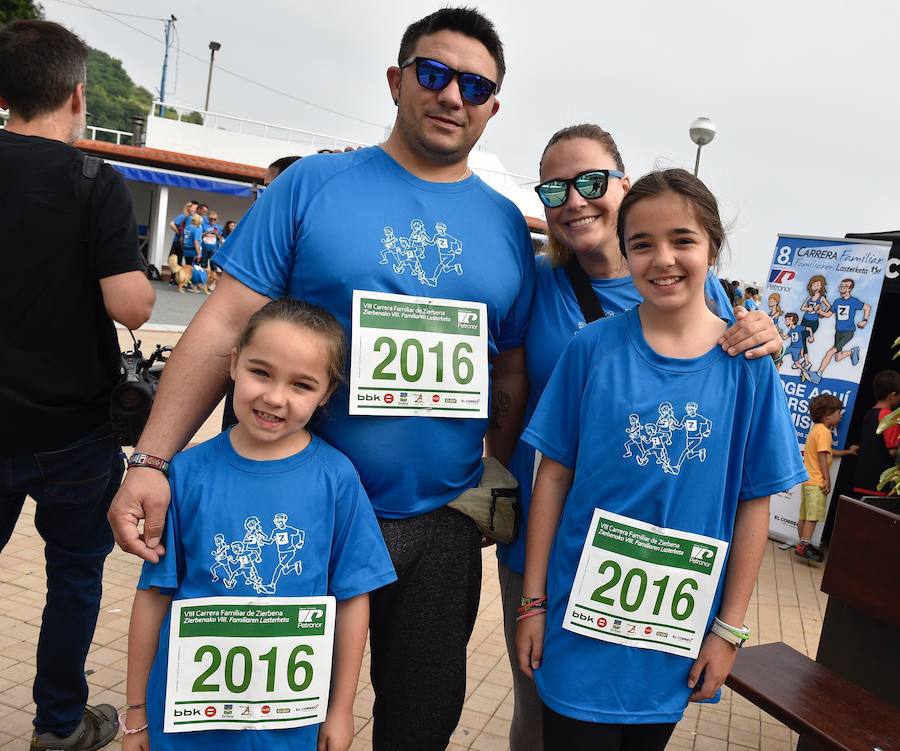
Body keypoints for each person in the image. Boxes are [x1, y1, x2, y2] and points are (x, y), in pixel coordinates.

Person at [109, 9, 534, 750]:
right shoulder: (312, 186)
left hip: (441, 521)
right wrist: (150, 460)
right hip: (298, 503)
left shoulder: (505, 224)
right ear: (398, 80)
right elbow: (219, 326)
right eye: (433, 74)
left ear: (493, 106)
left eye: (475, 85)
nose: (452, 96)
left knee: (420, 721)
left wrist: (488, 484)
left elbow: (512, 370)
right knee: (275, 726)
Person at [494, 124, 783, 751]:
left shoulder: (741, 356)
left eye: (683, 241)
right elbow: (551, 468)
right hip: (567, 590)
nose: (575, 198)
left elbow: (754, 495)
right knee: (540, 725)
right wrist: (533, 601)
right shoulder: (572, 324)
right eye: (555, 188)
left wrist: (728, 630)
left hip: (676, 622)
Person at [120, 299, 395, 751]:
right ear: (233, 363)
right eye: (260, 372)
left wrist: (340, 709)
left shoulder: (337, 478)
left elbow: (352, 599)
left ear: (326, 393)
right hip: (186, 725)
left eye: (302, 384)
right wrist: (135, 714)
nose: (274, 397)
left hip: (289, 728)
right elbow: (153, 597)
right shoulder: (186, 474)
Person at [0, 19, 155, 750]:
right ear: (75, 94)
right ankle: (59, 725)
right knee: (72, 577)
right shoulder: (94, 182)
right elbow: (130, 305)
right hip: (71, 434)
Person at [796, 394, 858, 562]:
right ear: (827, 415)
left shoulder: (816, 430)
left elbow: (828, 451)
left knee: (804, 516)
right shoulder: (824, 433)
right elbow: (823, 455)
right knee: (813, 516)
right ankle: (804, 544)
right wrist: (827, 479)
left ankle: (802, 543)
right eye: (839, 412)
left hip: (808, 481)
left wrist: (848, 452)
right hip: (817, 482)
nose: (841, 416)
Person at [853, 370, 900, 497]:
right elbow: (893, 451)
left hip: (861, 478)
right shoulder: (889, 416)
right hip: (878, 483)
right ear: (892, 395)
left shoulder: (869, 413)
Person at [814, 277, 869, 378]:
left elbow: (867, 307)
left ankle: (818, 374)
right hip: (838, 332)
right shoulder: (837, 302)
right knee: (838, 358)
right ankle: (853, 351)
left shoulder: (854, 301)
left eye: (845, 287)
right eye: (841, 286)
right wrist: (819, 311)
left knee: (830, 352)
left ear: (850, 289)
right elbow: (827, 315)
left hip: (848, 332)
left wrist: (864, 320)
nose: (842, 288)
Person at [799, 274, 830, 345]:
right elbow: (802, 308)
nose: (815, 286)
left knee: (803, 336)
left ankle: (804, 354)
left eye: (817, 285)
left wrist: (822, 314)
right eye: (813, 285)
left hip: (813, 322)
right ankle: (804, 354)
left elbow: (828, 306)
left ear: (821, 286)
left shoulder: (821, 298)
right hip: (805, 320)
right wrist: (808, 309)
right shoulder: (810, 296)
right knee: (801, 336)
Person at [168, 200, 197, 264]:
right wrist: (179, 233)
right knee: (176, 261)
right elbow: (171, 224)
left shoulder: (193, 218)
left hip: (187, 243)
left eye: (196, 208)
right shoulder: (183, 216)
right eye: (193, 208)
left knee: (188, 261)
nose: (195, 210)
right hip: (178, 241)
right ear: (188, 208)